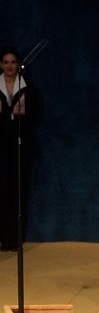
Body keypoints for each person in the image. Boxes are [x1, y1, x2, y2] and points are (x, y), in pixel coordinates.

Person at [0, 46, 36, 251]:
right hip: (0, 149)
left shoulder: (27, 88)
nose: (10, 66)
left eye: (13, 62)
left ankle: (15, 240)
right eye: (6, 62)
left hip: (20, 148)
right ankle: (3, 239)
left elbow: (34, 116)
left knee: (17, 194)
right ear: (1, 65)